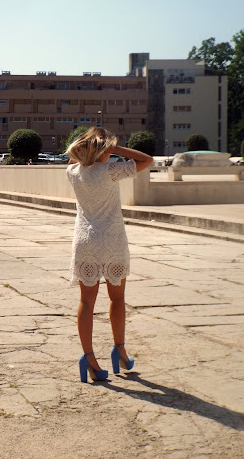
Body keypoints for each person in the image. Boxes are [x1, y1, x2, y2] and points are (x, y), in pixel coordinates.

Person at [66, 127, 153, 383]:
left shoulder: (73, 172)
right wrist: (116, 149)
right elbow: (146, 160)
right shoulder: (111, 171)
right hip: (112, 240)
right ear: (105, 149)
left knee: (87, 302)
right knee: (117, 299)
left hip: (85, 240)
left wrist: (87, 148)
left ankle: (90, 358)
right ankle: (121, 350)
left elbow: (74, 159)